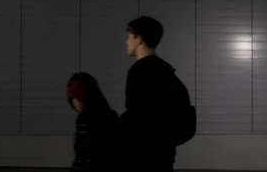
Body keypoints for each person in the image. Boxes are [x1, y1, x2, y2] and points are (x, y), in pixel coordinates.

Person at [121, 16, 196, 172]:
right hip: (164, 153)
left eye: (129, 37)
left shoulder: (138, 72)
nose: (127, 41)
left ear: (139, 39)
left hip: (142, 155)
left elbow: (135, 116)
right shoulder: (166, 71)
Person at [67, 72, 118, 172]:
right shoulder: (111, 116)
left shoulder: (84, 119)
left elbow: (83, 156)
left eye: (74, 96)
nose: (73, 101)